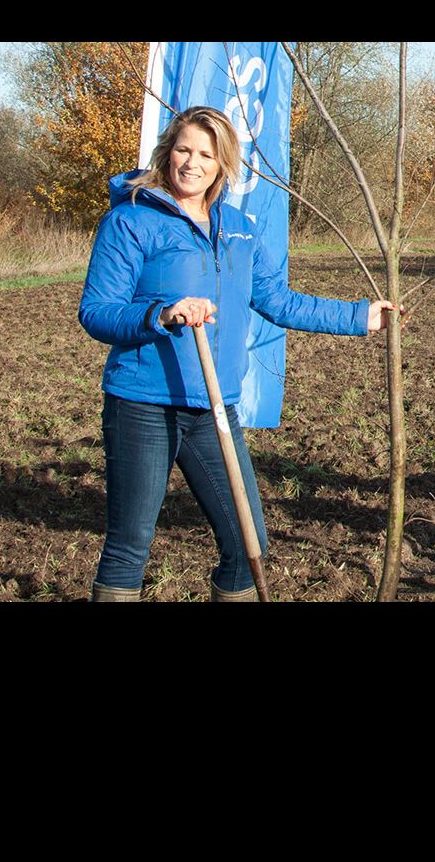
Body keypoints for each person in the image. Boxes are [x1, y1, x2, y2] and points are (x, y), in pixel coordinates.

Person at [79, 106, 395, 601]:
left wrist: (359, 317)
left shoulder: (239, 227)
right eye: (184, 149)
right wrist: (160, 315)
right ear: (168, 152)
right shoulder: (131, 221)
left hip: (213, 408)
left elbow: (277, 300)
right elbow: (97, 311)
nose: (192, 162)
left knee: (246, 542)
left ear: (223, 164)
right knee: (129, 545)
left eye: (206, 154)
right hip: (142, 404)